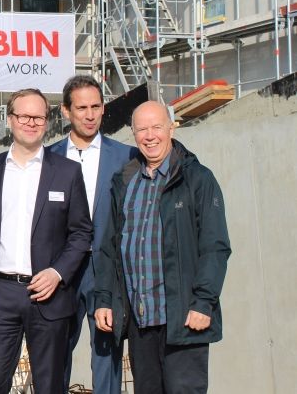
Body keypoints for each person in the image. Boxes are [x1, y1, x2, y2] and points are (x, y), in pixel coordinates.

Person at [94, 101, 231, 394]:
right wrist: (104, 298)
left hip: (183, 319)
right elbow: (109, 248)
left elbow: (215, 247)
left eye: (157, 126)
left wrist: (203, 302)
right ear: (133, 134)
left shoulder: (197, 179)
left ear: (172, 127)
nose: (150, 135)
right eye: (141, 129)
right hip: (140, 320)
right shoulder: (125, 182)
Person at [0, 88, 92, 394]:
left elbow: (81, 233)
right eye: (24, 116)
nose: (31, 122)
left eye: (38, 116)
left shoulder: (67, 172)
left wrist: (57, 273)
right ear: (10, 119)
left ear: (48, 121)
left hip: (48, 296)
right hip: (0, 295)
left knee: (50, 385)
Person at [48, 76, 135, 393]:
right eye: (81, 107)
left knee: (107, 356)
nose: (89, 114)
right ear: (66, 111)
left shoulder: (127, 158)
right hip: (61, 272)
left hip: (106, 272)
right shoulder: (48, 158)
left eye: (95, 106)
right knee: (55, 355)